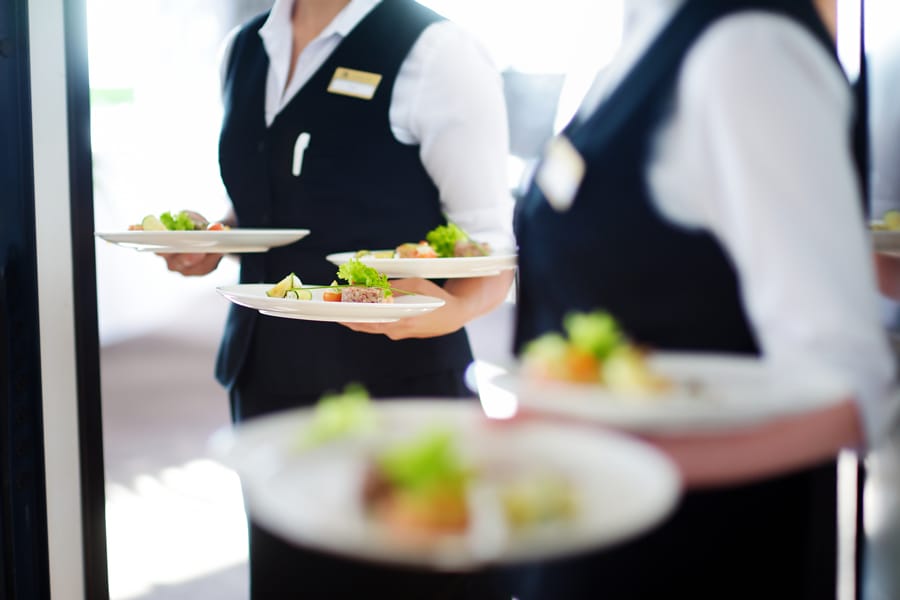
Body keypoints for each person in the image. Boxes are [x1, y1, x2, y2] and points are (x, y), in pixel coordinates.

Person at [510, 0, 899, 598]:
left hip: (695, 555)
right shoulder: (646, 29)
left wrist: (614, 470)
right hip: (581, 532)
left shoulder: (750, 51)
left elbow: (852, 392)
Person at [162, 0, 515, 598]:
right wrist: (216, 238)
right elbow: (273, 198)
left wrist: (447, 310)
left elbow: (491, 249)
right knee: (290, 578)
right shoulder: (246, 48)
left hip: (394, 389)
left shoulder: (435, 52)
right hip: (266, 376)